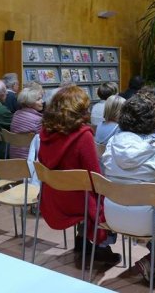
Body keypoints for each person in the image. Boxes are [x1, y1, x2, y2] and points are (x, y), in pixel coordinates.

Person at [101, 92, 155, 284]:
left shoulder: (111, 144)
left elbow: (107, 177)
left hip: (112, 216)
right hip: (151, 221)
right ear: (154, 119)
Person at [39, 85, 120, 264]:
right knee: (110, 198)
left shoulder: (45, 133)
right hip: (78, 201)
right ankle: (101, 247)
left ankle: (83, 239)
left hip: (53, 197)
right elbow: (95, 177)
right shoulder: (83, 136)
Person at [9, 87, 44, 159]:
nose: (42, 101)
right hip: (31, 158)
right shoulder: (38, 120)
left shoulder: (16, 114)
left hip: (14, 157)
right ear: (30, 103)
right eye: (38, 99)